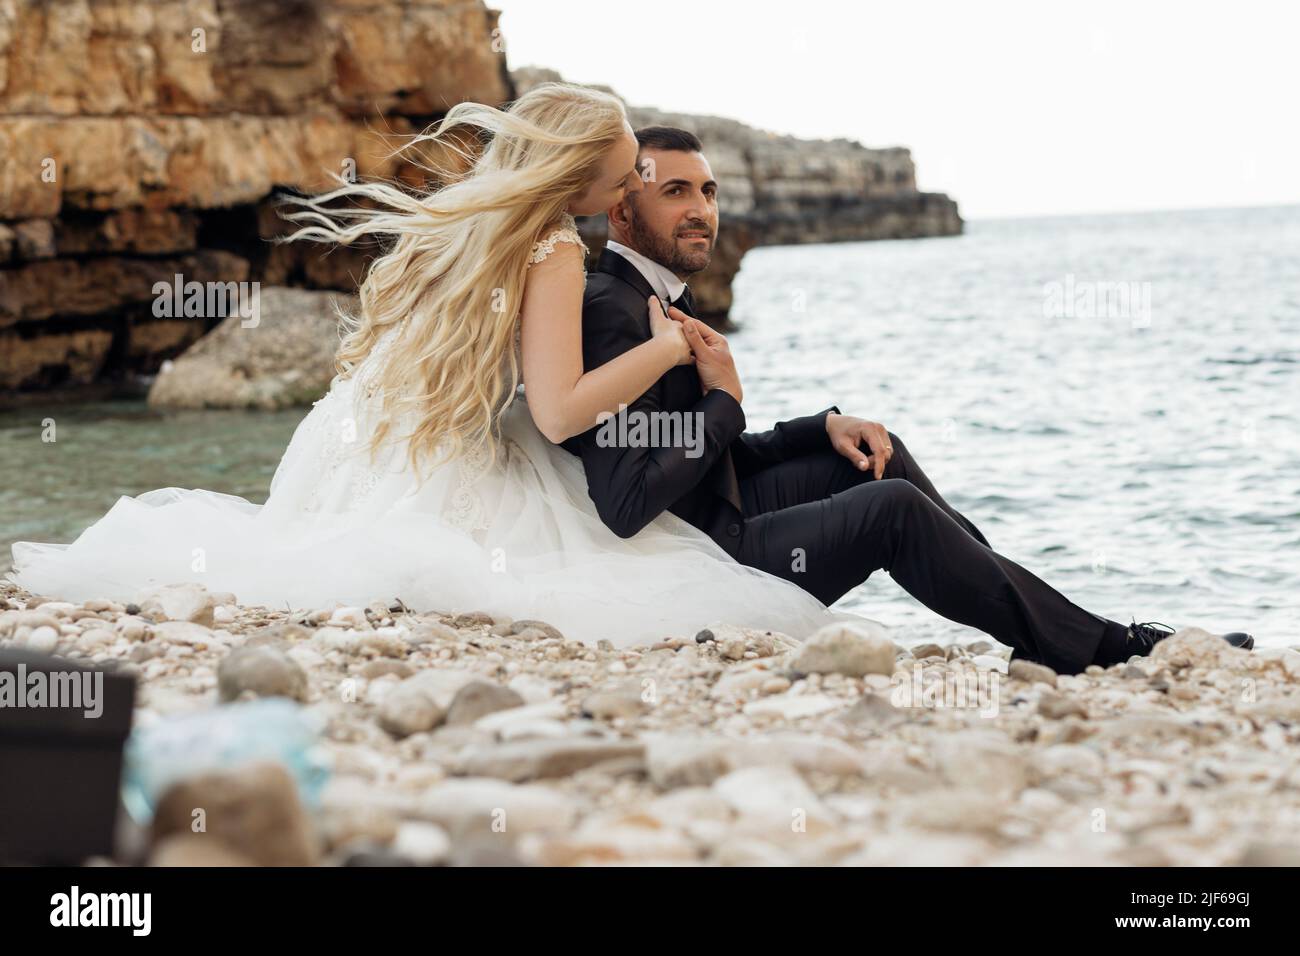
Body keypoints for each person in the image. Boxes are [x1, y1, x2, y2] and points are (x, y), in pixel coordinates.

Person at [8, 84, 867, 647]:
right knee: (627, 583)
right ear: (575, 177)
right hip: (433, 466)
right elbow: (563, 412)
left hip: (342, 448)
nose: (621, 203)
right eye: (614, 185)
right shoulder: (555, 247)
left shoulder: (467, 219)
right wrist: (666, 347)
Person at [563, 125, 1255, 675]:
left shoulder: (649, 300)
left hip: (716, 509)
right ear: (622, 210)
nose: (702, 211)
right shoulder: (613, 312)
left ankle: (1048, 628)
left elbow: (702, 453)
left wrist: (823, 427)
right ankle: (1097, 645)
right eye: (677, 192)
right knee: (890, 510)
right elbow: (628, 503)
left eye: (708, 192)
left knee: (870, 457)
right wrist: (725, 402)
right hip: (696, 553)